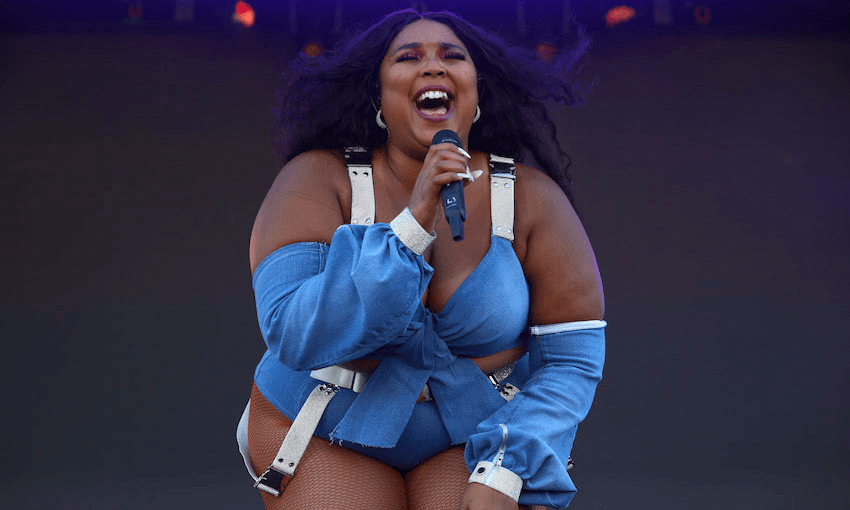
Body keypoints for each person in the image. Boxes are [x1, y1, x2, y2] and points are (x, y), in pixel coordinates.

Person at [235, 8, 605, 510]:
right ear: (379, 100)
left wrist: (506, 465)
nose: (433, 66)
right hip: (323, 422)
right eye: (409, 57)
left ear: (475, 97)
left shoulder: (529, 198)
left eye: (452, 56)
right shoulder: (318, 180)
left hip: (475, 432)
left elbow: (572, 361)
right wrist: (411, 226)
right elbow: (294, 334)